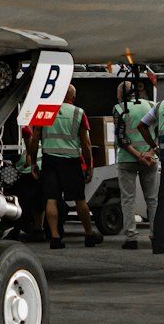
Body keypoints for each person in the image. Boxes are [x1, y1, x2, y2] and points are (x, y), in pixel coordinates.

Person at [28, 84, 103, 248]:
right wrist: (89, 166)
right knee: (79, 199)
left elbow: (34, 138)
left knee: (51, 198)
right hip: (71, 161)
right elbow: (86, 143)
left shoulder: (44, 109)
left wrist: (33, 162)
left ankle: (55, 237)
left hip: (49, 160)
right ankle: (89, 234)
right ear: (73, 97)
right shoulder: (79, 113)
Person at [114, 77, 160, 250]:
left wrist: (137, 155)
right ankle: (156, 235)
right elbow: (157, 131)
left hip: (128, 160)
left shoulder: (119, 108)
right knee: (152, 200)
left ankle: (131, 238)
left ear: (120, 94)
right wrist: (149, 153)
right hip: (150, 159)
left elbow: (121, 137)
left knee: (128, 200)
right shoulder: (150, 105)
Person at [137, 99, 164, 255]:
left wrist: (154, 147)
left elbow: (142, 125)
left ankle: (159, 243)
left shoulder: (159, 106)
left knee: (162, 203)